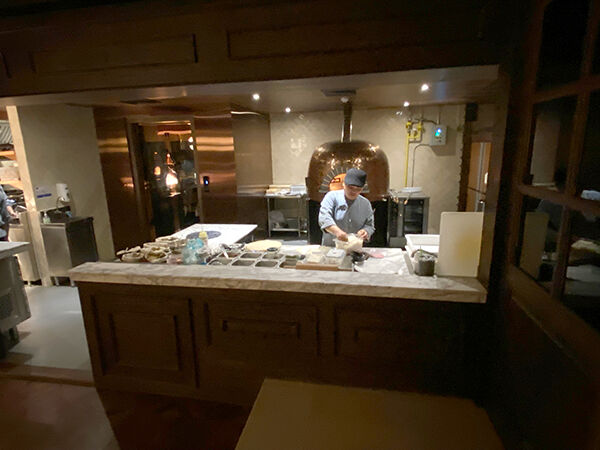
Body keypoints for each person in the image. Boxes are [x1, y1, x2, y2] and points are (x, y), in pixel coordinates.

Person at [318, 168, 375, 246]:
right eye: (350, 188)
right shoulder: (331, 197)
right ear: (343, 184)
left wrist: (366, 231)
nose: (354, 191)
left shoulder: (365, 204)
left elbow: (369, 225)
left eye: (358, 189)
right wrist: (338, 232)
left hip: (354, 247)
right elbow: (324, 218)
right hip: (332, 247)